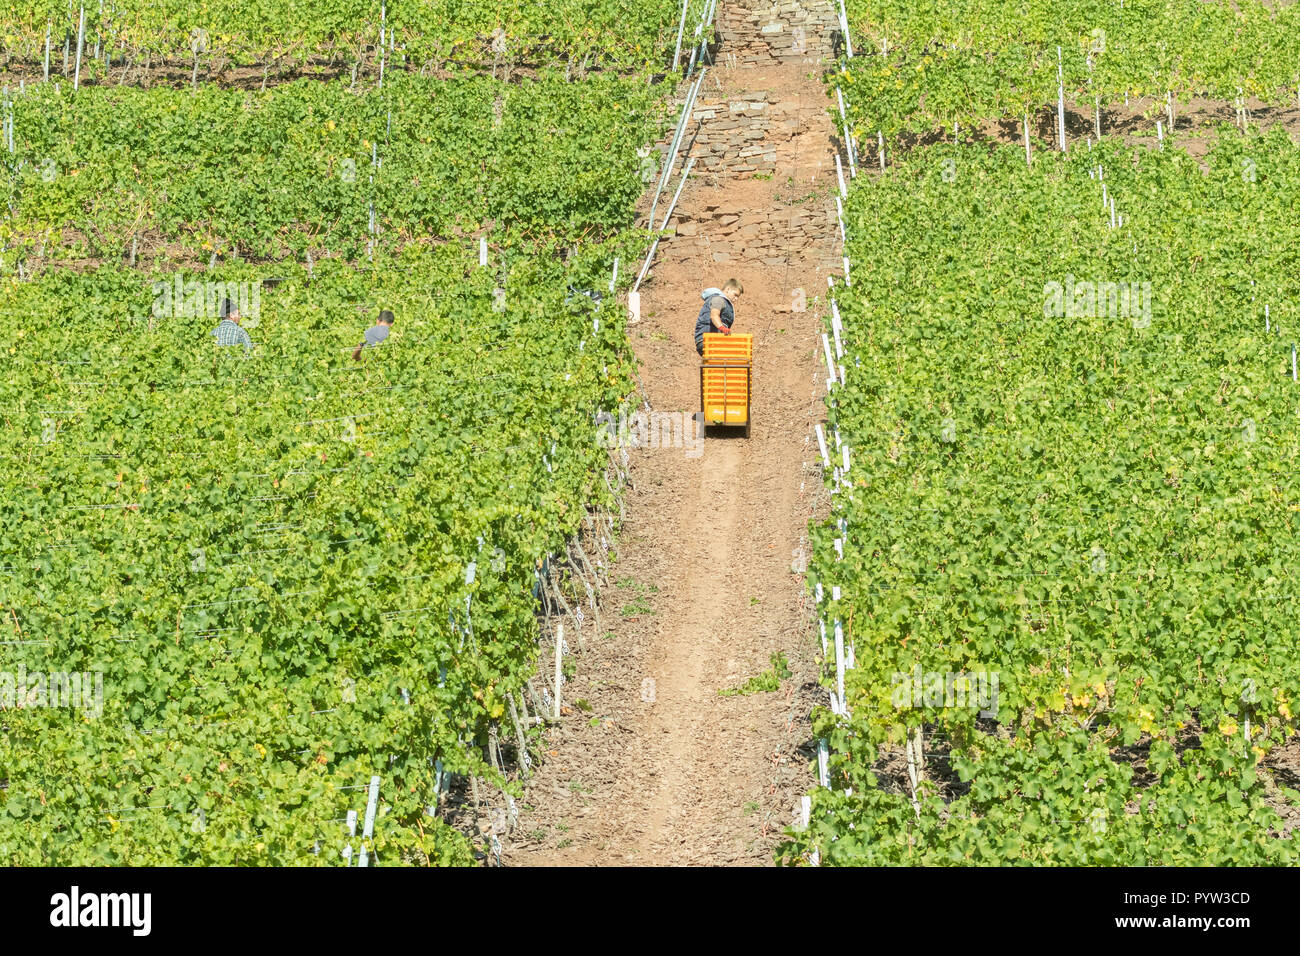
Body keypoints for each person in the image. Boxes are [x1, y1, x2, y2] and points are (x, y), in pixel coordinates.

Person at [694, 279, 743, 356]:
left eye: (738, 297)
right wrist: (722, 328)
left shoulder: (723, 302)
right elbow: (714, 315)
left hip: (710, 339)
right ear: (728, 289)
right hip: (708, 339)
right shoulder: (718, 299)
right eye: (735, 295)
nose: (736, 298)